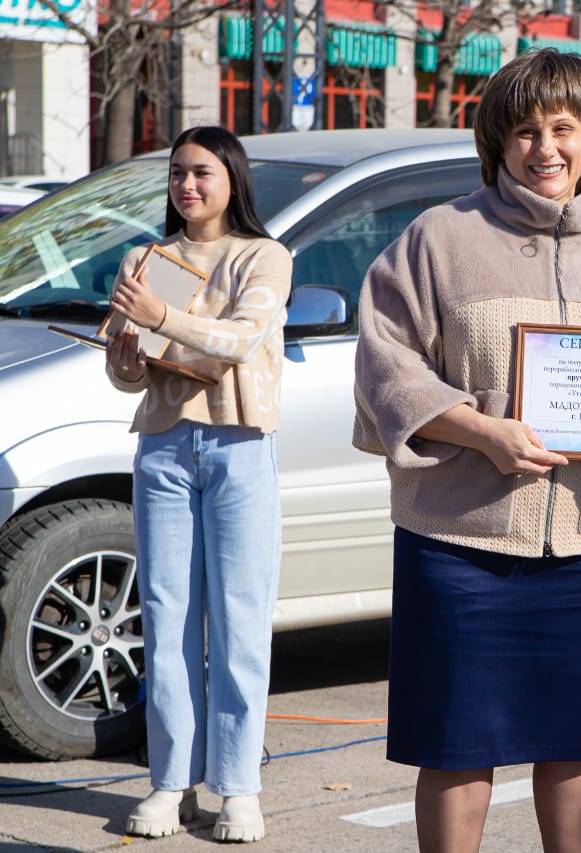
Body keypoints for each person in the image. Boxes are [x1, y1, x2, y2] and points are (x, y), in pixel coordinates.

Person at [351, 49, 581, 853]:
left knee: (579, 741)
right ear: (496, 144)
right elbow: (384, 363)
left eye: (563, 129)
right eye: (526, 132)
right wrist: (484, 430)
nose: (545, 149)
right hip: (459, 545)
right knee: (455, 746)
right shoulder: (438, 240)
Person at [106, 125, 292, 842]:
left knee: (241, 617)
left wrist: (160, 318)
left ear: (232, 179)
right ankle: (170, 781)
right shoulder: (148, 258)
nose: (187, 185)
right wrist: (126, 347)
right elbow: (126, 374)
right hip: (162, 446)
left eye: (202, 172)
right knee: (166, 616)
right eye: (178, 173)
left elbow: (243, 339)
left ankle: (238, 787)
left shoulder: (263, 255)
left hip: (240, 445)